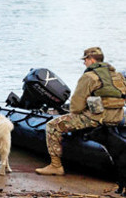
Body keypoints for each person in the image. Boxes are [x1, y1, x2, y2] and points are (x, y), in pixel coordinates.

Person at [36, 47, 126, 176]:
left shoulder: (89, 76)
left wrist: (81, 111)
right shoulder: (118, 76)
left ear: (90, 59)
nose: (84, 63)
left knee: (52, 126)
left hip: (97, 119)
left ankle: (55, 166)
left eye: (85, 60)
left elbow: (76, 107)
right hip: (118, 117)